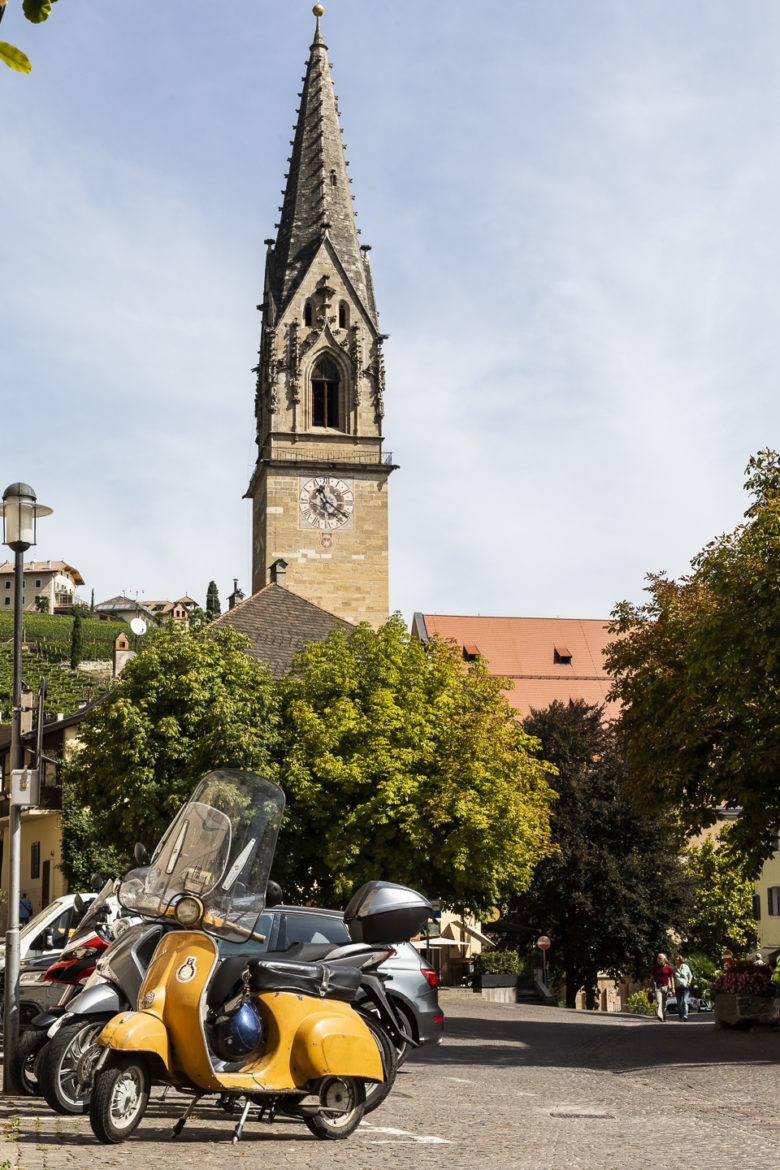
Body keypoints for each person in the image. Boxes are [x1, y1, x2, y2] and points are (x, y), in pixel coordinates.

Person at [651, 951, 674, 1021]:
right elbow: (651, 977)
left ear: (664, 959)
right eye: (657, 958)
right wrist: (648, 986)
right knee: (658, 1001)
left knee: (664, 1003)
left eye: (660, 958)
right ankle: (660, 1016)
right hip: (658, 987)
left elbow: (671, 978)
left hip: (666, 987)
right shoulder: (655, 967)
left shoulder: (668, 968)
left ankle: (664, 1016)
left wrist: (673, 988)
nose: (658, 959)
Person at [673, 953, 693, 1020]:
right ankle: (681, 1015)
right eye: (675, 960)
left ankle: (685, 1015)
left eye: (678, 960)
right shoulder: (674, 969)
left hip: (685, 987)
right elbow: (672, 978)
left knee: (684, 1001)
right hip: (677, 988)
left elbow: (690, 976)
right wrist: (672, 987)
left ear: (681, 960)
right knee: (679, 1003)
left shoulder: (686, 967)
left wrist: (689, 983)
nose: (676, 961)